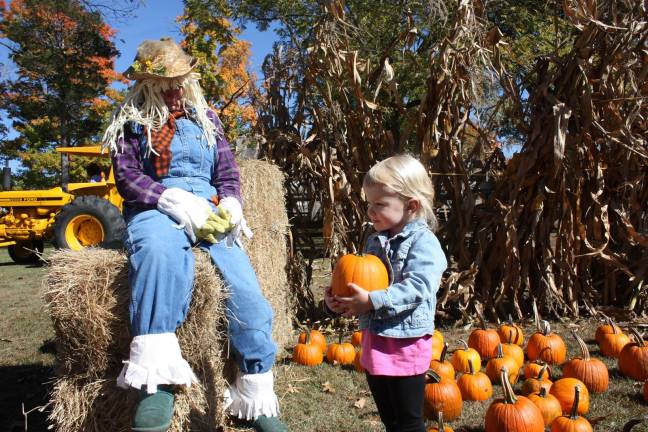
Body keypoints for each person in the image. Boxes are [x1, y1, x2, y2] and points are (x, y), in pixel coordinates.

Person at [102, 37, 288, 432]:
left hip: (207, 208)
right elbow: (128, 178)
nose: (172, 90)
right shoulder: (130, 122)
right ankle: (157, 383)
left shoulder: (207, 118)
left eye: (178, 81)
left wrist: (232, 203)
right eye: (162, 84)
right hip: (156, 208)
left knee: (248, 294)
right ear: (145, 84)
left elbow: (226, 172)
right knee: (157, 255)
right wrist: (168, 198)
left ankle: (256, 393)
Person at [324, 154, 447, 432]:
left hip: (406, 344)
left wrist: (372, 301)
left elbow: (420, 287)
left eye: (379, 204)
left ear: (411, 205)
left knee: (408, 421)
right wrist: (337, 302)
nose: (371, 211)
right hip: (375, 341)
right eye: (369, 204)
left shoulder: (424, 242)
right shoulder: (374, 241)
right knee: (390, 420)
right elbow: (362, 283)